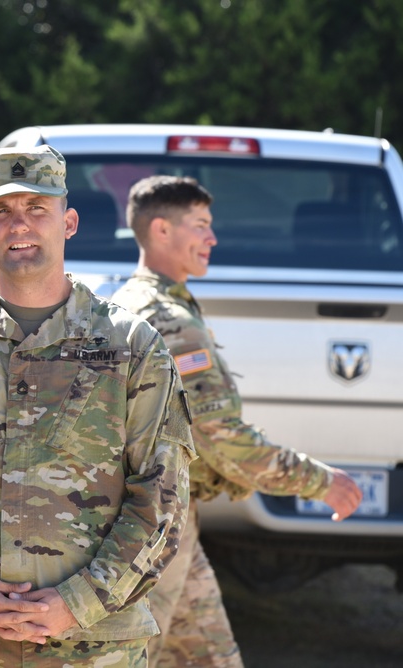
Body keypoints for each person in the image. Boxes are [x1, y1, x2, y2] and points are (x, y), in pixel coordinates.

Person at [0, 145, 196, 667]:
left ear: (67, 222)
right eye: (0, 212)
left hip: (97, 646)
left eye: (36, 209)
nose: (18, 225)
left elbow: (160, 501)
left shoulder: (131, 347)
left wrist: (78, 602)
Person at [111, 175, 364, 668]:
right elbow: (221, 439)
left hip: (166, 523)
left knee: (210, 657)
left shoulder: (129, 304)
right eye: (201, 225)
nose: (213, 238)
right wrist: (321, 482)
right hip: (150, 530)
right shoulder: (168, 321)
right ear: (161, 231)